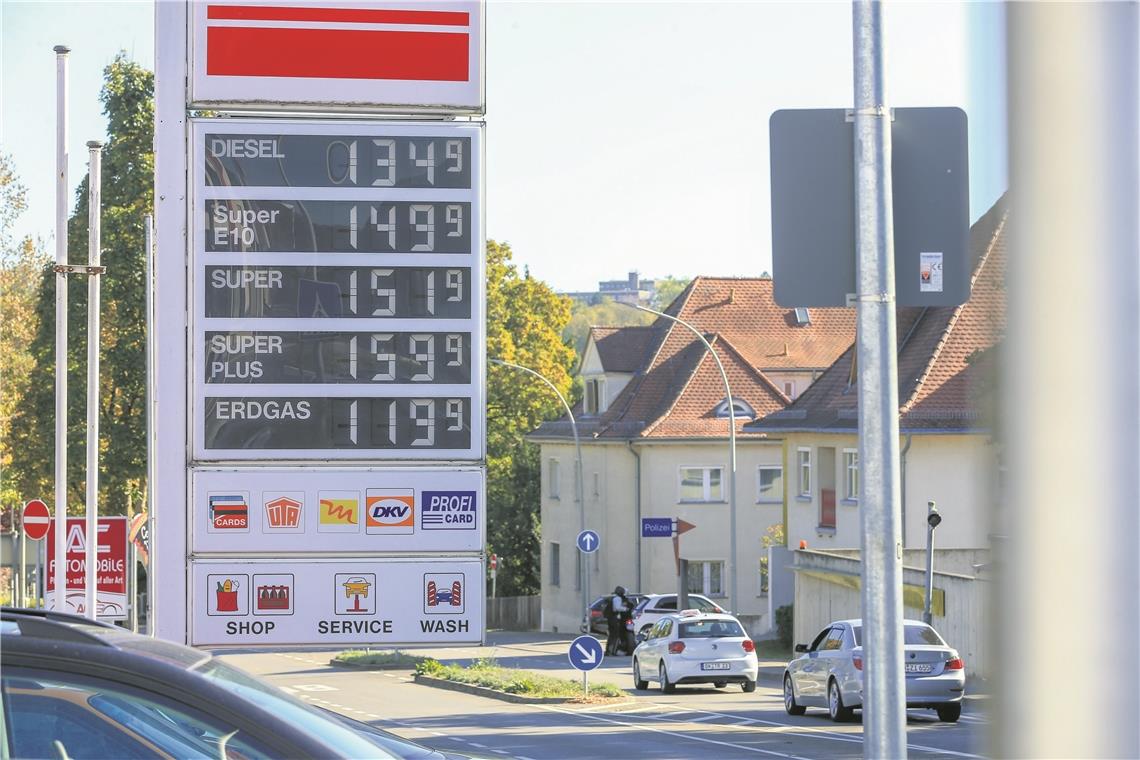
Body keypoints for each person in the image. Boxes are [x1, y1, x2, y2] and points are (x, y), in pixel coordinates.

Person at [604, 585, 628, 656]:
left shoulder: (613, 598)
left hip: (610, 619)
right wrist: (625, 609)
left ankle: (609, 650)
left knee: (611, 635)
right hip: (614, 619)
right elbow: (617, 608)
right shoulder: (618, 598)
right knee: (616, 635)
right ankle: (613, 651)